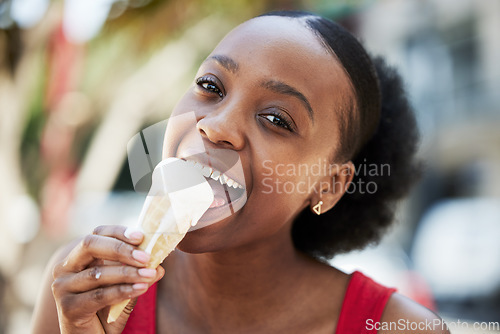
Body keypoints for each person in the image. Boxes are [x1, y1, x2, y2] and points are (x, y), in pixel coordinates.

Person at [32, 10, 450, 334]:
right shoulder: (82, 289)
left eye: (276, 119)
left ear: (329, 184)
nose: (216, 126)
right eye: (211, 87)